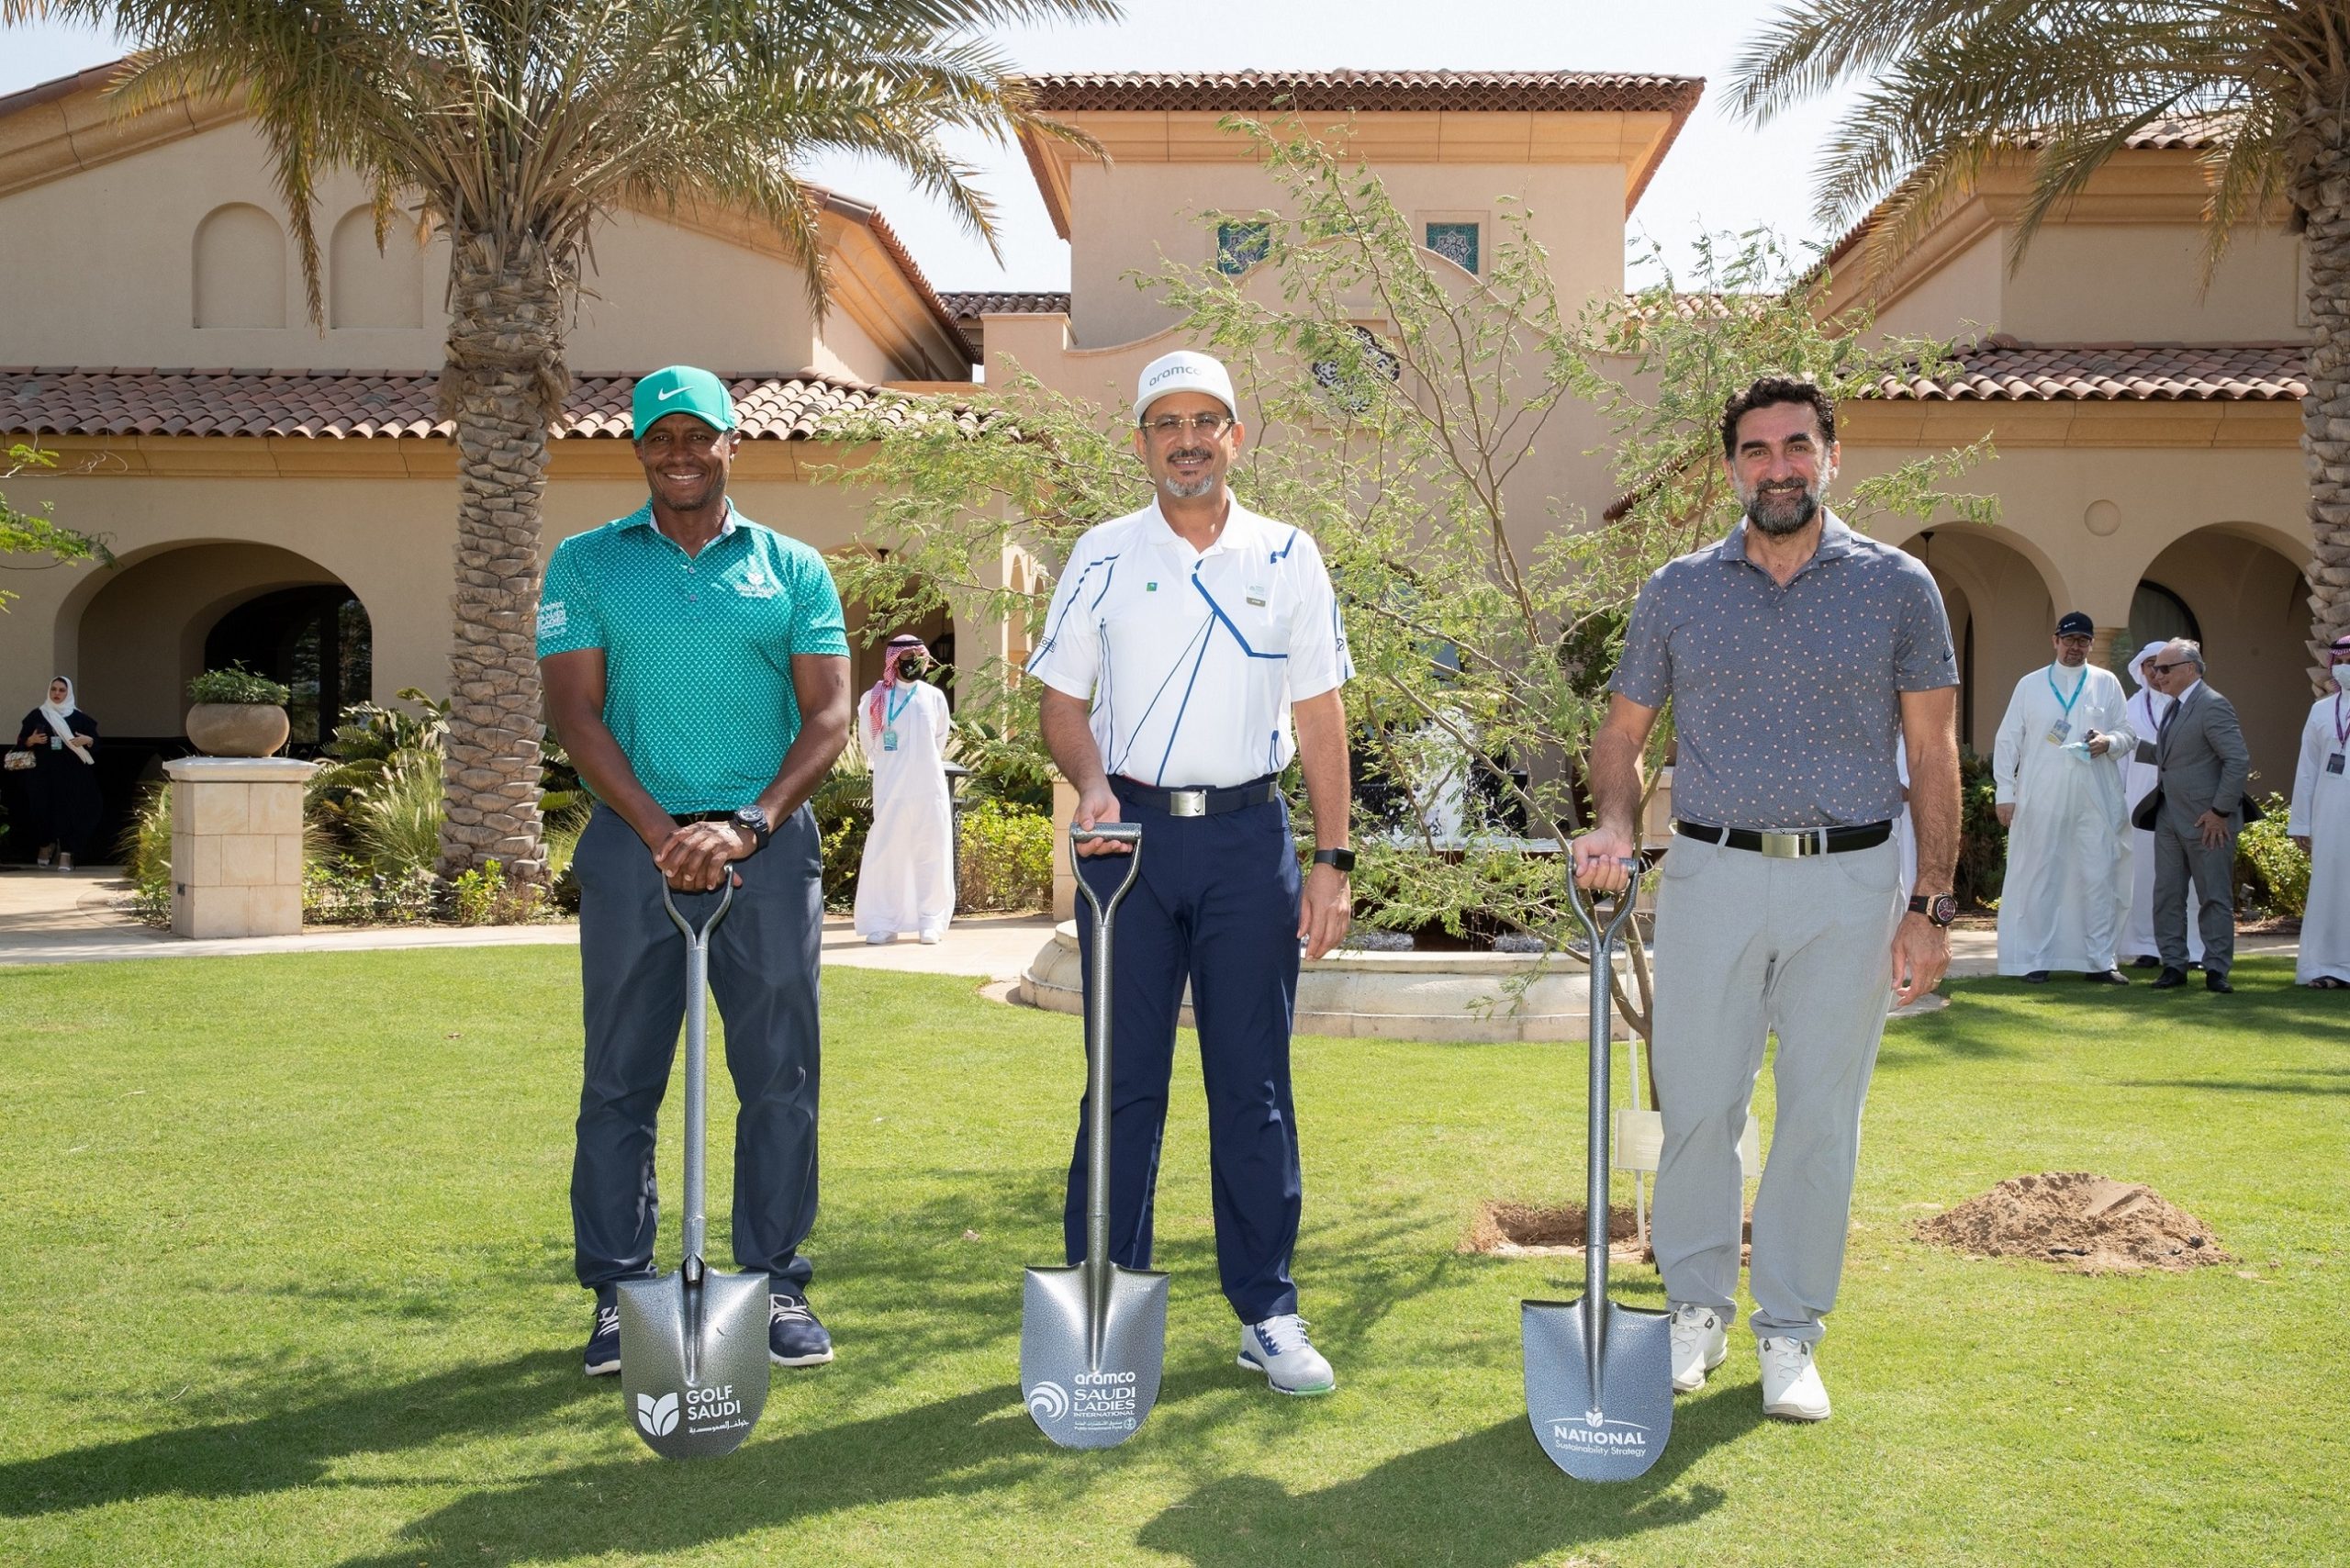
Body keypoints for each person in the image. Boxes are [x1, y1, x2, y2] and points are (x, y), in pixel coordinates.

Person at [1572, 375, 1959, 1424]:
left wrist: (1931, 902)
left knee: (1820, 1118)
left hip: (1850, 877)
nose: (1777, 466)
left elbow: (1931, 747)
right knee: (1697, 1110)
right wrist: (1613, 821)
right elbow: (1621, 735)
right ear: (1731, 466)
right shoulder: (1677, 590)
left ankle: (1791, 1331)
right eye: (1755, 449)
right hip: (1711, 874)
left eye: (1797, 446)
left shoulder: (1899, 587)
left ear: (1832, 457)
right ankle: (1696, 1310)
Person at [1027, 348, 1355, 1396]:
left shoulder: (1288, 554)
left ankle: (1266, 1308)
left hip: (1248, 841)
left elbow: (1318, 715)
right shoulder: (1100, 553)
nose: (1186, 440)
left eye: (1204, 420)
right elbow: (1061, 703)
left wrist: (1331, 859)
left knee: (1252, 1088)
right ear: (1141, 443)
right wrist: (1090, 785)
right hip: (1127, 845)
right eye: (1165, 423)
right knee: (1122, 1082)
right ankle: (1103, 1302)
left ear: (1234, 436)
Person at [537, 364, 852, 1378]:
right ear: (639, 449)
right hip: (636, 851)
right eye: (659, 437)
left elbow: (830, 714)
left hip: (768, 850)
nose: (679, 452)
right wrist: (664, 827)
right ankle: (620, 1294)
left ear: (730, 444)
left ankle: (775, 1283)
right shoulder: (585, 564)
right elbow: (574, 712)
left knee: (779, 1075)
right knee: (620, 1079)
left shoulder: (793, 567)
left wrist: (750, 824)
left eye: (698, 435)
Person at [1990, 612, 2138, 983]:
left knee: (2098, 874)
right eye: (2070, 640)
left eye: (2083, 641)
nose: (2076, 647)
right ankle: (2034, 959)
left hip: (2095, 796)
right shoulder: (2031, 684)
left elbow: (2127, 733)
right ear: (2055, 641)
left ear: (2090, 644)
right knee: (2040, 875)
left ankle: (2099, 961)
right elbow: (2008, 741)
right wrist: (2005, 794)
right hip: (2041, 795)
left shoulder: (2106, 683)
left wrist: (2109, 742)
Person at [2143, 638, 2249, 993]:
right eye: (2156, 668)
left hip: (2208, 822)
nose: (2157, 675)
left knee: (2213, 896)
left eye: (2164, 668)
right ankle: (2173, 965)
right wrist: (2122, 744)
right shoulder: (2173, 706)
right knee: (2167, 895)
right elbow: (2173, 756)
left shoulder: (2213, 705)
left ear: (2190, 669)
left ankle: (2217, 969)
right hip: (2169, 817)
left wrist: (2220, 811)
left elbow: (2237, 761)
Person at [853, 633, 955, 945]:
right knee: (887, 855)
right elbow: (868, 741)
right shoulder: (875, 698)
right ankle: (883, 921)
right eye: (907, 657)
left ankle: (930, 920)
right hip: (891, 790)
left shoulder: (934, 697)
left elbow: (939, 739)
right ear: (894, 661)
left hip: (928, 790)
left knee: (930, 853)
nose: (914, 663)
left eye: (918, 657)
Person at [2119, 642, 2202, 968]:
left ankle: (2191, 948)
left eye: (2163, 666)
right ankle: (2146, 946)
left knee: (2188, 879)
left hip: (2185, 801)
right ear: (2141, 670)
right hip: (2140, 804)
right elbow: (2121, 762)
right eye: (2150, 665)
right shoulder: (2130, 708)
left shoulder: (2191, 704)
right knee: (2142, 876)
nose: (2157, 672)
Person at [2288, 633, 2350, 988]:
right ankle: (2326, 967)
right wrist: (2301, 823)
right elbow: (2307, 768)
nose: (2344, 670)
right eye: (2339, 663)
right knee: (2329, 887)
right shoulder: (2321, 710)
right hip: (2328, 816)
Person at [18, 677, 101, 870]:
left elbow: (96, 743)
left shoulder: (79, 718)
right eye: (54, 689)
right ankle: (45, 846)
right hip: (42, 774)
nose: (57, 694)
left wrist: (88, 740)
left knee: (70, 812)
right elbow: (22, 740)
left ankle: (66, 853)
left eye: (61, 690)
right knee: (41, 810)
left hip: (71, 775)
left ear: (68, 693)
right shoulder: (38, 715)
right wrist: (31, 740)